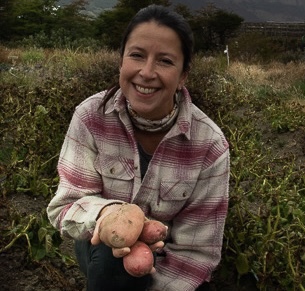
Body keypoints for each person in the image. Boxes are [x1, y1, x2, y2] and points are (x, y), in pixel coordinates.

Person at [47, 4, 230, 291]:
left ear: (183, 75)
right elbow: (67, 204)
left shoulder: (209, 145)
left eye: (165, 61)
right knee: (114, 259)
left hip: (171, 263)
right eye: (137, 56)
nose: (146, 72)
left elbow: (197, 252)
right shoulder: (90, 117)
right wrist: (107, 217)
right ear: (121, 61)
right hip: (102, 251)